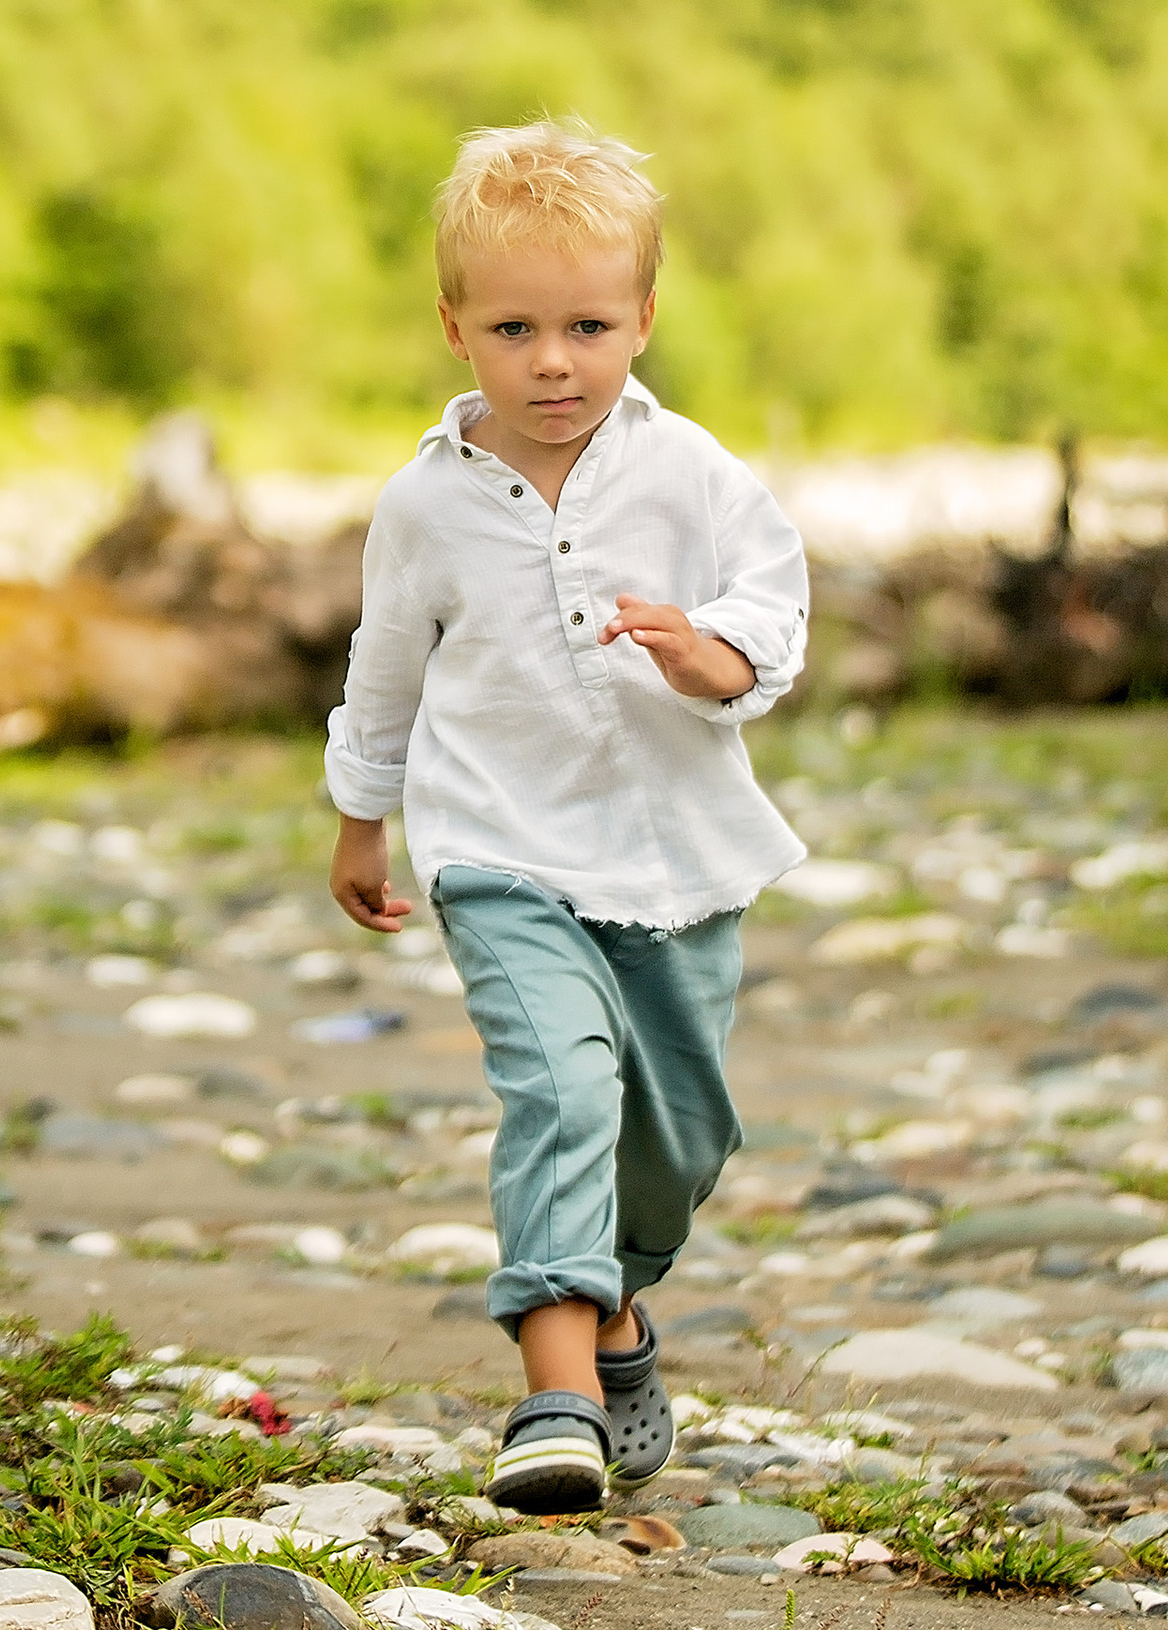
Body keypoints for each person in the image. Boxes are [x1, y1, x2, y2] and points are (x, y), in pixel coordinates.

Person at [325, 120, 810, 1514]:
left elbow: (771, 611)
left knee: (680, 1139)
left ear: (644, 318)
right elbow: (387, 666)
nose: (554, 360)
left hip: (676, 855)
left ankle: (616, 1309)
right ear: (455, 328)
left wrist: (708, 655)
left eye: (589, 324)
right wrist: (363, 819)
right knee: (560, 1090)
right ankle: (555, 1397)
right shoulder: (424, 504)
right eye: (516, 327)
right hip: (499, 849)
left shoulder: (695, 475)